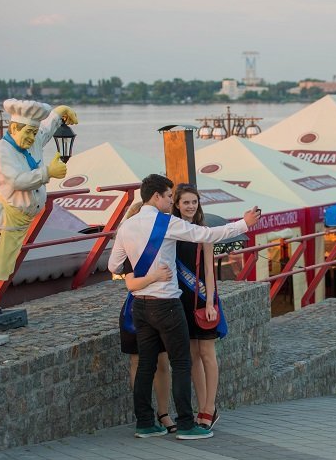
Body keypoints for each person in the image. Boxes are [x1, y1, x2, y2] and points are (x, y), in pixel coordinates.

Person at [108, 174, 261, 440]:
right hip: (167, 304)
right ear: (156, 196)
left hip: (140, 305)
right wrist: (243, 224)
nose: (171, 201)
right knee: (181, 363)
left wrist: (144, 274)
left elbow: (114, 265)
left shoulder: (127, 226)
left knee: (145, 365)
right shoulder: (167, 223)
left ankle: (145, 424)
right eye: (169, 196)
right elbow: (207, 234)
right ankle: (187, 425)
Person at [0, 98, 78, 317]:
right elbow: (16, 180)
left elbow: (46, 130)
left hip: (17, 220)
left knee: (2, 263)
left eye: (33, 133)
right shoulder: (2, 150)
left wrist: (60, 111)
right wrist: (48, 173)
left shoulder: (32, 139)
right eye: (28, 132)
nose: (32, 137)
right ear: (14, 128)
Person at [116, 202, 176, 434]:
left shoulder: (162, 245)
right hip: (134, 309)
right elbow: (130, 282)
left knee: (162, 361)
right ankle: (144, 414)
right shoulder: (129, 249)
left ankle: (163, 412)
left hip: (157, 305)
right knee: (137, 361)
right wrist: (155, 277)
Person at [172, 184, 222, 430]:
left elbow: (210, 272)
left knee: (207, 354)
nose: (191, 206)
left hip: (202, 298)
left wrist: (210, 301)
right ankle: (200, 406)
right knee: (192, 356)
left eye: (194, 202)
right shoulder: (172, 232)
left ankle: (210, 408)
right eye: (186, 202)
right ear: (177, 205)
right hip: (180, 300)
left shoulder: (204, 232)